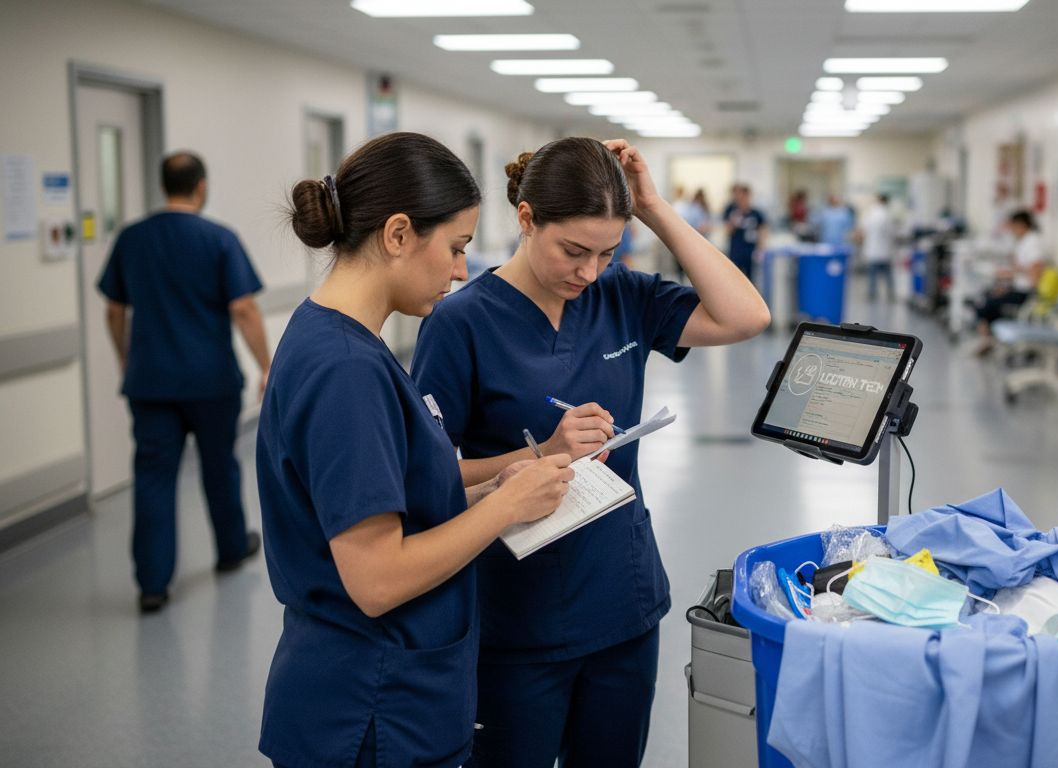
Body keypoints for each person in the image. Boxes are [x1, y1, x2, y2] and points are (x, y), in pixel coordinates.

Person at [412, 137, 770, 768]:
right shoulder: (460, 322)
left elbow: (746, 316)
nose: (589, 273)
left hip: (621, 601)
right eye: (574, 251)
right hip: (518, 614)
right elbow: (428, 476)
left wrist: (653, 207)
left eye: (608, 252)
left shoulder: (622, 296)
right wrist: (540, 455)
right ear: (527, 219)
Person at [255, 132, 574, 767]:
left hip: (386, 690)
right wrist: (505, 508)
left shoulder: (337, 337)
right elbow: (377, 580)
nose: (461, 270)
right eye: (455, 247)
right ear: (398, 234)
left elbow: (396, 498)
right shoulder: (346, 370)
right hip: (370, 708)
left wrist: (493, 488)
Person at [97, 151, 269, 613]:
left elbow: (114, 310)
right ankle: (231, 549)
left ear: (163, 185)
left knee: (153, 476)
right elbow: (243, 307)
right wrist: (266, 365)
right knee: (220, 466)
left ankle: (152, 585)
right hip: (211, 381)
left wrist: (125, 357)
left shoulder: (132, 238)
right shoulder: (218, 238)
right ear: (201, 186)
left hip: (150, 382)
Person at [972, 209, 1045, 356]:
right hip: (1017, 288)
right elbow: (1021, 270)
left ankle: (988, 341)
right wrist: (1008, 281)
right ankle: (989, 340)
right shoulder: (1024, 242)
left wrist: (1012, 276)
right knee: (984, 297)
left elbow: (1034, 275)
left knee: (986, 303)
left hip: (1026, 293)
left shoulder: (1032, 243)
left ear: (1021, 225)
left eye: (1012, 227)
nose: (1011, 231)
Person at [722, 182, 768, 282]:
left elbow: (763, 230)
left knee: (750, 279)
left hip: (750, 250)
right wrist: (734, 220)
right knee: (734, 277)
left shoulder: (756, 213)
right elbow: (727, 229)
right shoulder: (732, 210)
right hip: (736, 250)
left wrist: (761, 248)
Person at [856, 193, 897, 302]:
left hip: (872, 249)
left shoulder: (871, 213)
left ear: (878, 200)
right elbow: (892, 233)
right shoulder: (887, 214)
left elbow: (863, 229)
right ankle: (891, 294)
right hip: (885, 249)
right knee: (888, 274)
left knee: (872, 274)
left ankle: (872, 293)